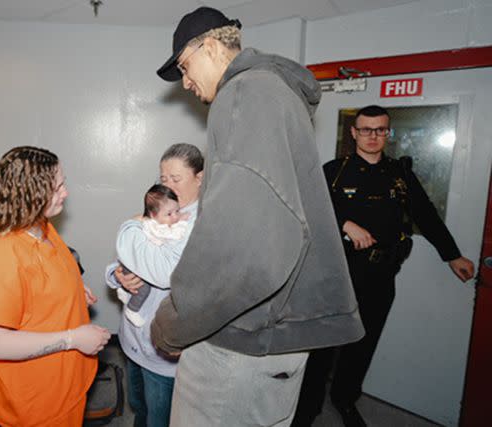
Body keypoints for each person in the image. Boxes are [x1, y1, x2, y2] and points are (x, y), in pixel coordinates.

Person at [151, 7, 365, 427]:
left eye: (185, 67)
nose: (187, 83)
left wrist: (173, 322)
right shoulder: (276, 93)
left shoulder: (243, 95)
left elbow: (245, 251)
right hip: (272, 335)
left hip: (240, 348)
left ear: (210, 47)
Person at [292, 105, 476, 427]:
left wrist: (452, 255)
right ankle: (307, 409)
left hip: (381, 275)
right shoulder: (334, 171)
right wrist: (345, 223)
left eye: (380, 130)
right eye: (366, 129)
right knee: (323, 346)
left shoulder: (400, 174)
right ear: (354, 133)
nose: (373, 136)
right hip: (338, 273)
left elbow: (426, 214)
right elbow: (308, 210)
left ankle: (345, 399)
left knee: (362, 344)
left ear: (388, 133)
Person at [0, 146, 111, 427]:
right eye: (56, 188)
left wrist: (74, 288)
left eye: (63, 183)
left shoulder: (42, 226)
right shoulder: (2, 254)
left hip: (66, 386)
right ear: (29, 194)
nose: (65, 193)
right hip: (38, 405)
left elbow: (46, 274)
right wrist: (72, 339)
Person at [105, 143, 204, 427]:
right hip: (133, 338)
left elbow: (162, 272)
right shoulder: (163, 207)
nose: (169, 185)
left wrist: (129, 225)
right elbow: (127, 256)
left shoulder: (200, 222)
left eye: (176, 179)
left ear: (199, 177)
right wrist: (117, 276)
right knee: (138, 408)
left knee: (159, 419)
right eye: (164, 179)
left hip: (163, 350)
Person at [115, 184, 190, 327]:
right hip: (132, 265)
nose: (175, 217)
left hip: (133, 263)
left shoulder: (153, 221)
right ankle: (132, 309)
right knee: (143, 289)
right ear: (154, 215)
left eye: (177, 211)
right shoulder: (158, 227)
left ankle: (123, 292)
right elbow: (174, 235)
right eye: (169, 214)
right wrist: (183, 221)